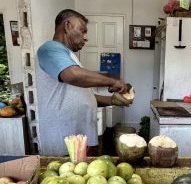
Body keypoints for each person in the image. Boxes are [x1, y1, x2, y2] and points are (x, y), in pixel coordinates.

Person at [35, 9, 129, 156]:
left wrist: (113, 100)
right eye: (82, 30)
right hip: (62, 138)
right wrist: (112, 81)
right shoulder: (49, 49)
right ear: (67, 26)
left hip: (78, 135)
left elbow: (81, 95)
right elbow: (72, 75)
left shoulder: (68, 55)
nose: (86, 38)